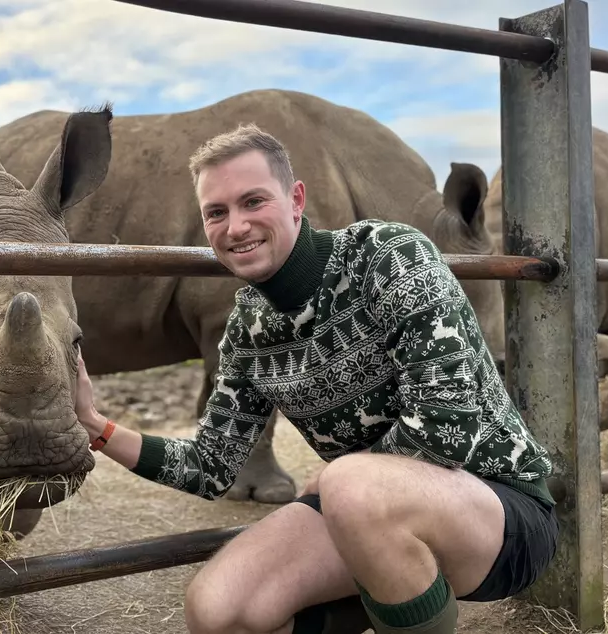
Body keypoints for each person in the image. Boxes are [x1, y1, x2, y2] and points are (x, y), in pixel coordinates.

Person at [71, 123, 559, 634]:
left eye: (253, 201)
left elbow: (447, 427)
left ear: (296, 198)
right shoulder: (248, 330)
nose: (235, 227)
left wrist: (332, 477)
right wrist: (97, 427)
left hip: (501, 512)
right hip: (361, 512)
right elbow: (210, 466)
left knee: (350, 483)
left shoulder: (389, 257)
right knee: (219, 610)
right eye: (216, 212)